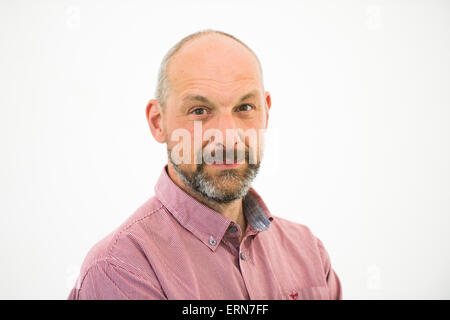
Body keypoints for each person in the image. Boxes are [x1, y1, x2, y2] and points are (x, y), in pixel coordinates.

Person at [67, 29, 342, 300]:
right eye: (199, 111)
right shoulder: (120, 269)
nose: (227, 137)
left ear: (266, 112)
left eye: (245, 107)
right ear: (157, 122)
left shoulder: (309, 253)